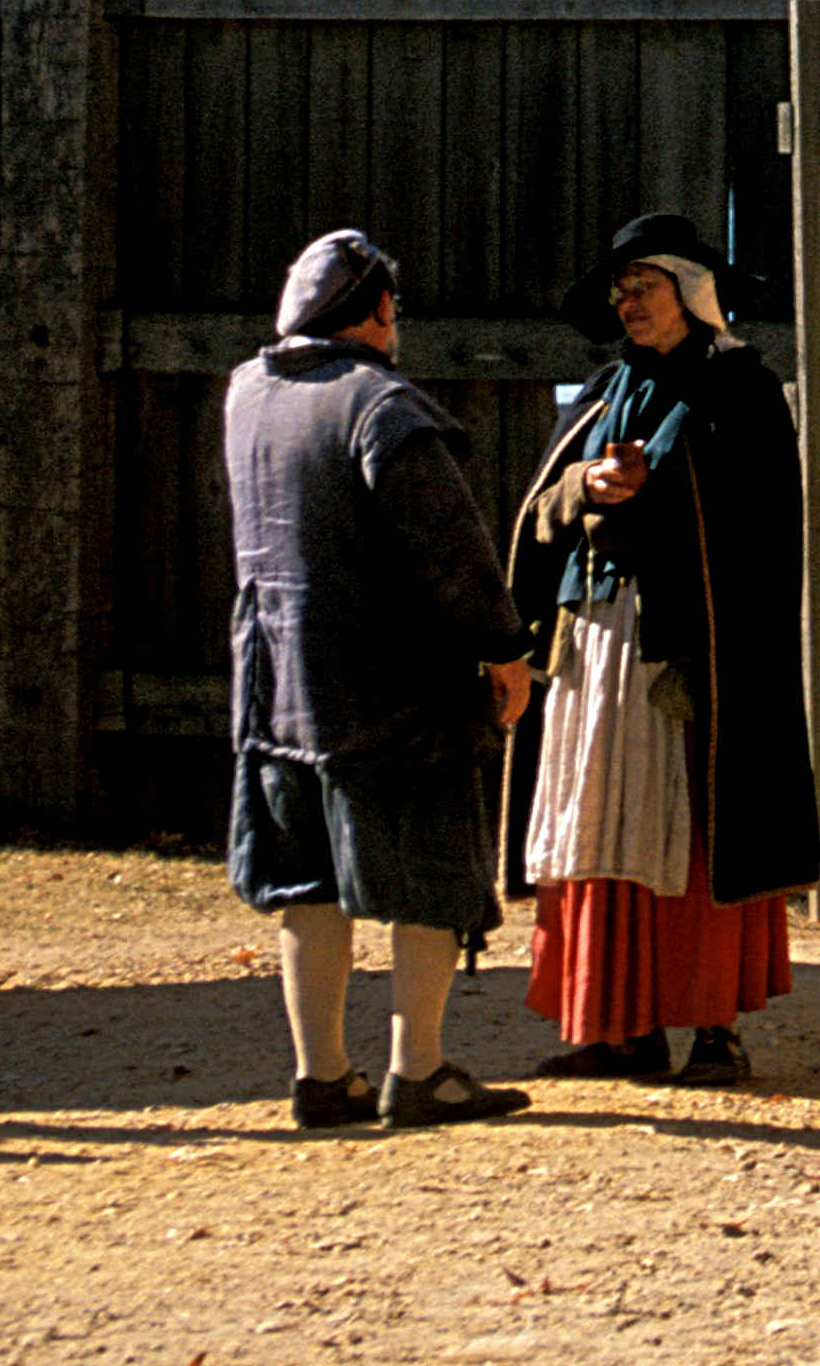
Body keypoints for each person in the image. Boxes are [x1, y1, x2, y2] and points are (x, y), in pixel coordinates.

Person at [222, 228, 537, 1131]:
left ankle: (323, 1076)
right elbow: (451, 548)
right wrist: (504, 648)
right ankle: (421, 1071)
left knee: (306, 887)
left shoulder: (245, 395)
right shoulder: (381, 406)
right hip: (392, 694)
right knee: (430, 878)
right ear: (379, 312)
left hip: (276, 689)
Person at [507, 210, 820, 1083]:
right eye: (619, 290)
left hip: (692, 653)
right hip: (597, 642)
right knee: (597, 822)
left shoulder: (742, 392)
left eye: (641, 286)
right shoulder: (606, 392)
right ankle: (617, 1025)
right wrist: (585, 487)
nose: (627, 303)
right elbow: (542, 510)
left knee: (690, 826)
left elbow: (759, 524)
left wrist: (659, 487)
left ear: (688, 291)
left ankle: (712, 1028)